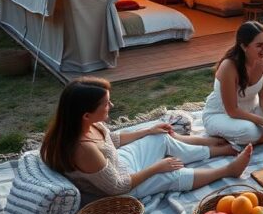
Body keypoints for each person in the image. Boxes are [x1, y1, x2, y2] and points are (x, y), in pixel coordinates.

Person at [40, 77, 251, 205]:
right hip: (120, 190)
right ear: (86, 114)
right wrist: (157, 167)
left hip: (119, 165)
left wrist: (147, 130)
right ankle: (228, 171)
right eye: (105, 103)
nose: (111, 105)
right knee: (170, 174)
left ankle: (215, 150)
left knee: (159, 137)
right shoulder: (84, 150)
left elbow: (114, 139)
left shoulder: (86, 125)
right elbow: (118, 187)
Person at [203, 21, 263, 145]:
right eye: (259, 45)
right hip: (222, 115)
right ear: (244, 46)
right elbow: (232, 111)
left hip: (253, 110)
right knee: (249, 131)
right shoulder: (228, 66)